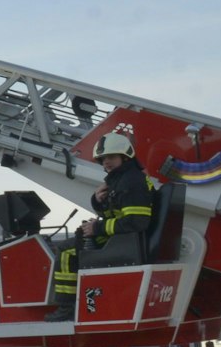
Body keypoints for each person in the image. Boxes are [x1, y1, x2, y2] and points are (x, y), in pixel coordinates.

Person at [50, 131, 156, 319]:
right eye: (103, 158)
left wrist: (97, 228)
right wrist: (98, 202)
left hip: (129, 241)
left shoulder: (131, 181)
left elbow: (136, 222)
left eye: (112, 157)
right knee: (75, 241)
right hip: (126, 238)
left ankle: (67, 308)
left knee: (66, 252)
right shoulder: (123, 178)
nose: (106, 162)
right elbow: (119, 214)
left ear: (125, 156)